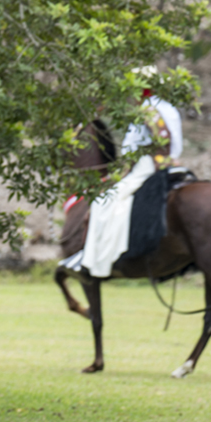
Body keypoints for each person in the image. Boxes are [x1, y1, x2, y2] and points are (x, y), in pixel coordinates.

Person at [79, 67, 183, 278]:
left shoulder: (146, 110)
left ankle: (102, 260)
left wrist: (125, 169)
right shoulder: (168, 108)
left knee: (102, 202)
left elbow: (145, 143)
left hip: (147, 165)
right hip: (167, 163)